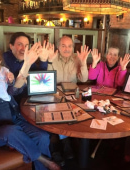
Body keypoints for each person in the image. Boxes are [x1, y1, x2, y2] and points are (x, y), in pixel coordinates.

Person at [0, 31, 60, 170]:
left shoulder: (0, 68)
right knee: (11, 131)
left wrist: (16, 76)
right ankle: (43, 159)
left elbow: (14, 91)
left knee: (42, 136)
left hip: (10, 114)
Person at [47, 35, 91, 165]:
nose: (67, 49)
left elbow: (83, 79)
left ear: (73, 47)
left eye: (69, 46)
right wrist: (49, 61)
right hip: (55, 96)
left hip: (73, 96)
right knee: (58, 115)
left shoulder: (77, 58)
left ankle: (67, 144)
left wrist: (83, 63)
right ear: (58, 47)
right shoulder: (52, 58)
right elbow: (47, 78)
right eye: (63, 46)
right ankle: (62, 146)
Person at [3, 32, 48, 103]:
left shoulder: (30, 57)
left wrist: (43, 60)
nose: (23, 49)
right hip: (11, 105)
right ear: (11, 46)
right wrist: (27, 63)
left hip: (29, 100)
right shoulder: (3, 60)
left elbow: (39, 81)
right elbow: (12, 92)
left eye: (26, 45)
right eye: (20, 44)